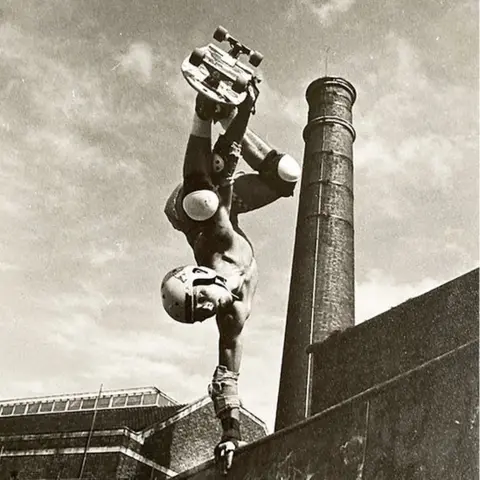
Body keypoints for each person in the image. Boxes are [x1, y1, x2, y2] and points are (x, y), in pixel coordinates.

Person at [161, 84, 300, 473]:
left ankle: (204, 111)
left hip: (191, 206)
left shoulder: (217, 244)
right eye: (200, 315)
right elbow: (227, 373)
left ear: (199, 278)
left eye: (199, 302)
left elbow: (215, 173)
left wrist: (242, 113)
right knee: (287, 175)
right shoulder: (231, 316)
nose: (208, 311)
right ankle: (221, 114)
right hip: (222, 199)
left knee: (202, 201)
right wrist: (230, 433)